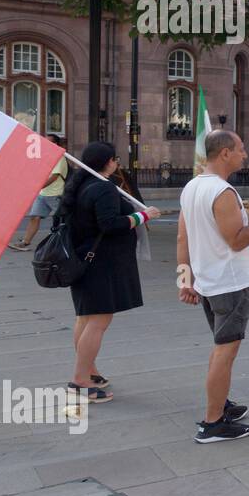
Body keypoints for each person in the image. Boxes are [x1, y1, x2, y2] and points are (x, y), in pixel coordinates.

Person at [178, 130, 249, 443]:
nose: (245, 154)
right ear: (225, 153)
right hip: (228, 283)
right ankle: (212, 422)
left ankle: (220, 401)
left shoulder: (192, 187)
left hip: (209, 281)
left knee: (222, 347)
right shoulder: (222, 192)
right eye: (240, 149)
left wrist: (184, 279)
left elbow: (182, 238)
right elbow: (238, 240)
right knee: (225, 350)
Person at [62, 142, 162, 403]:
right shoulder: (103, 188)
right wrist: (143, 217)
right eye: (115, 159)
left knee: (85, 318)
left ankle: (89, 371)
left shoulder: (81, 185)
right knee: (98, 321)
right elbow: (110, 224)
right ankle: (80, 381)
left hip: (84, 259)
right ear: (108, 162)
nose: (117, 163)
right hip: (102, 263)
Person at [10, 134, 69, 251]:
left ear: (55, 145)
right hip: (43, 194)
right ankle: (25, 242)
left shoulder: (60, 158)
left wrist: (38, 186)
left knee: (65, 219)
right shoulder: (46, 157)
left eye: (48, 142)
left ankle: (69, 242)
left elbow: (55, 176)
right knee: (34, 217)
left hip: (56, 194)